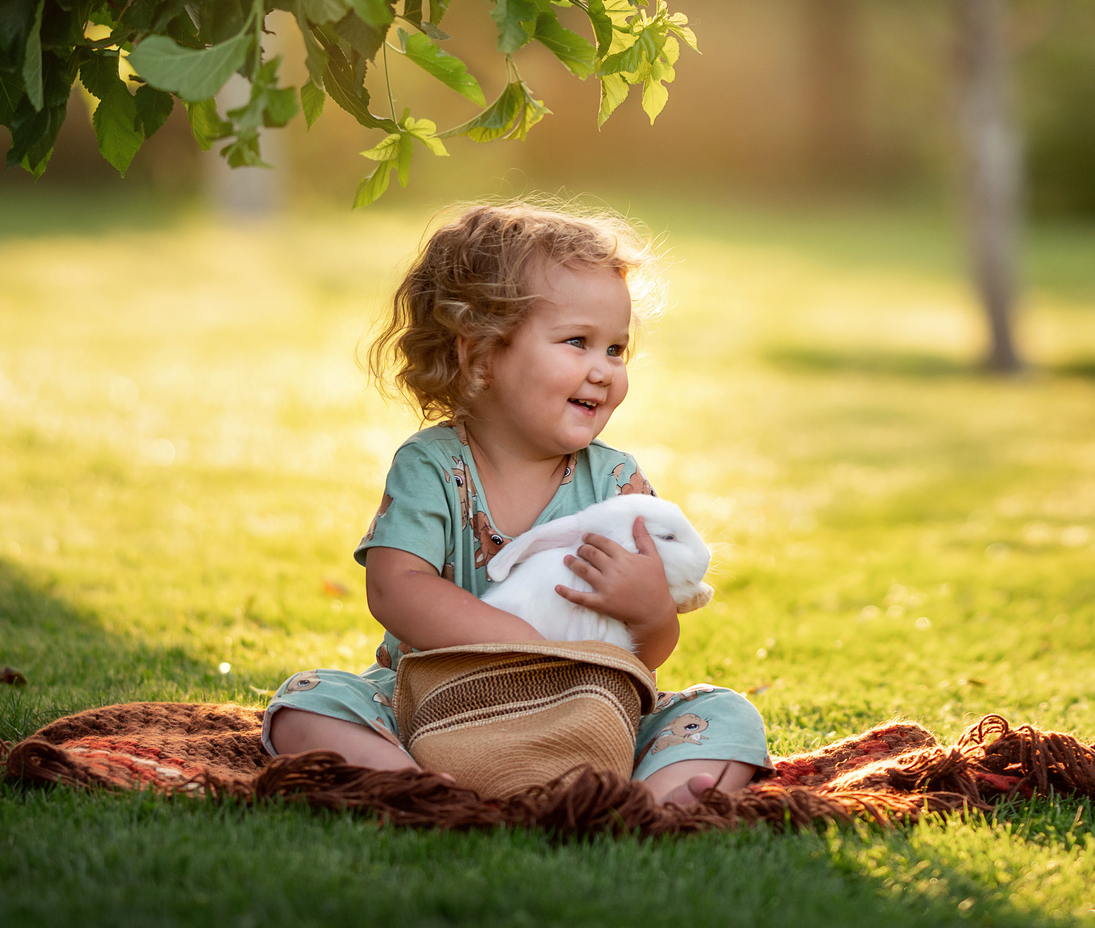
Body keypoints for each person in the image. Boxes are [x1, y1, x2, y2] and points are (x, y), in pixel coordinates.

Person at [262, 202, 770, 806]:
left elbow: (650, 652)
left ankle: (645, 807)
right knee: (307, 703)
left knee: (723, 713)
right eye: (578, 342)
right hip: (433, 706)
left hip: (586, 713)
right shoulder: (433, 466)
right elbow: (394, 588)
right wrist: (523, 643)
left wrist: (651, 611)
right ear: (479, 353)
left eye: (616, 350)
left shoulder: (616, 482)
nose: (604, 371)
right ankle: (422, 789)